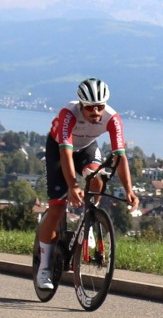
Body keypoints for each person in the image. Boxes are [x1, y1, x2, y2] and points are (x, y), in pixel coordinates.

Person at [35, 78, 140, 290]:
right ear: (81, 104)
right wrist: (73, 185)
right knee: (56, 209)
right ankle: (44, 268)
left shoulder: (112, 119)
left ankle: (89, 220)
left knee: (97, 179)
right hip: (59, 150)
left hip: (86, 149)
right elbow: (65, 153)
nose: (95, 112)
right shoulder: (68, 114)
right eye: (90, 107)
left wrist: (129, 190)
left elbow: (120, 156)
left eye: (99, 107)